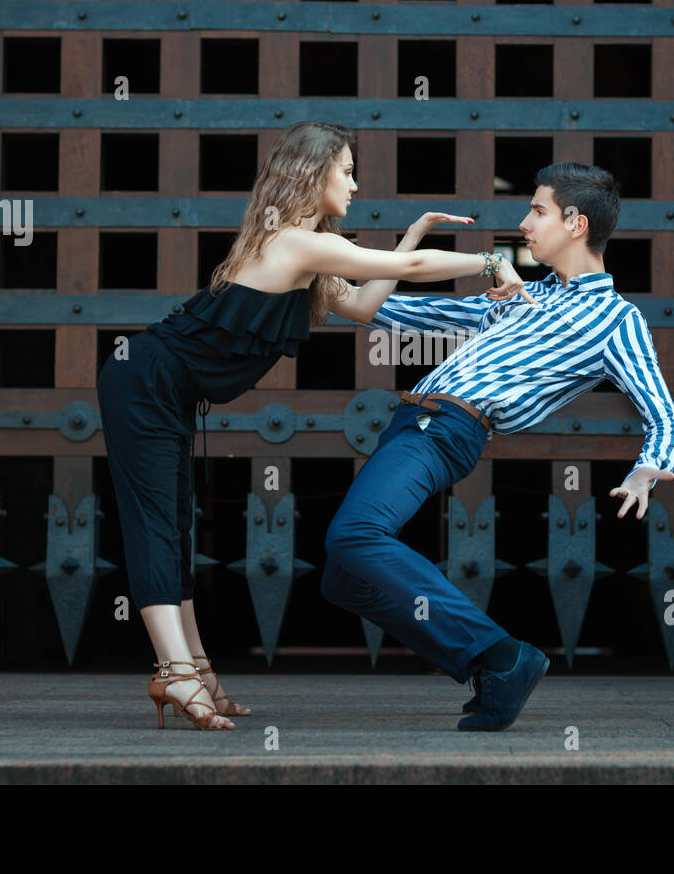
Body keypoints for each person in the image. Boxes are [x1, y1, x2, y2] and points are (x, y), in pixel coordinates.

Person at [97, 121, 534, 730]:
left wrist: (409, 238)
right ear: (314, 171)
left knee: (174, 523)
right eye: (347, 171)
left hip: (162, 391)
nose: (354, 184)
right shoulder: (296, 244)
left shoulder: (304, 251)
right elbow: (411, 266)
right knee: (155, 523)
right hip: (143, 382)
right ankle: (174, 674)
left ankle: (196, 671)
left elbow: (361, 303)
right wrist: (493, 260)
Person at [322, 162, 674, 731]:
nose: (524, 223)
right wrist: (331, 275)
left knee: (354, 536)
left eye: (537, 211)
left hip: (444, 432)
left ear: (577, 224)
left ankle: (502, 655)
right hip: (410, 424)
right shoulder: (519, 297)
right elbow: (413, 313)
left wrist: (648, 469)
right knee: (345, 578)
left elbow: (664, 415)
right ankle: (488, 669)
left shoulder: (616, 320)